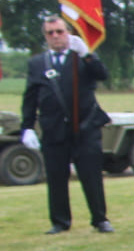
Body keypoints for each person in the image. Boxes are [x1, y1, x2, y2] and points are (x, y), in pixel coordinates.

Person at [21, 15, 112, 234]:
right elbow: (30, 97)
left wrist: (87, 55)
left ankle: (100, 219)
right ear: (45, 37)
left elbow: (102, 75)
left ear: (68, 33)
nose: (55, 36)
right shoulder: (37, 63)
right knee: (56, 176)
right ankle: (60, 221)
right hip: (53, 128)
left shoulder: (82, 57)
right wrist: (27, 126)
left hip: (85, 126)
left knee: (91, 175)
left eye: (60, 32)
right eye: (50, 33)